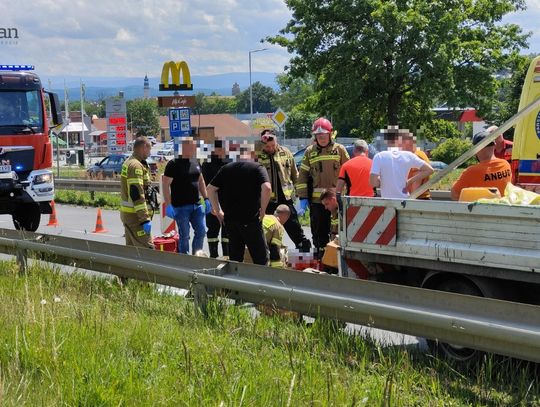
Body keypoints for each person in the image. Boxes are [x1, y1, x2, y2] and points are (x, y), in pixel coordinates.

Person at [207, 143, 271, 265]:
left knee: (235, 260)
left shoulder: (225, 168)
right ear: (252, 154)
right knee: (260, 259)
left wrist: (218, 211)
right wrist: (263, 209)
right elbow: (267, 188)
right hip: (251, 220)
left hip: (231, 221)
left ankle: (235, 283)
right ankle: (261, 283)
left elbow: (210, 189)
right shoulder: (257, 168)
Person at [296, 117, 349, 259]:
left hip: (337, 201)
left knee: (339, 231)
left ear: (330, 134)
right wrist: (303, 197)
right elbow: (303, 176)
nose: (322, 138)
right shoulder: (309, 152)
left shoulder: (339, 150)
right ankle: (321, 257)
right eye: (319, 136)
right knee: (319, 232)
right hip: (318, 202)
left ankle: (338, 260)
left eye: (324, 135)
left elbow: (348, 171)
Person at [258, 129, 311, 252]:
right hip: (267, 201)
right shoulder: (257, 155)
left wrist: (301, 196)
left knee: (296, 229)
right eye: (267, 146)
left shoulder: (286, 152)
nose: (271, 148)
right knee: (267, 231)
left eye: (273, 145)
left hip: (285, 200)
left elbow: (295, 175)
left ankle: (303, 252)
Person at [163, 138, 210, 254]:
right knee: (184, 235)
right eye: (192, 146)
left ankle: (196, 255)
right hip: (180, 207)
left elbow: (201, 181)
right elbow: (165, 185)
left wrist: (206, 198)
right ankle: (184, 257)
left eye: (195, 146)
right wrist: (168, 205)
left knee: (201, 231)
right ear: (183, 147)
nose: (194, 149)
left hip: (196, 205)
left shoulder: (195, 162)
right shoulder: (173, 164)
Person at [369, 127, 434, 199]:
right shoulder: (412, 155)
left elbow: (416, 185)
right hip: (413, 198)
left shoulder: (416, 155)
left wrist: (409, 185)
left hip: (418, 198)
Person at [451, 130, 512, 200]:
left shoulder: (471, 172)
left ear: (476, 149)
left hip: (480, 210)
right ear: (494, 145)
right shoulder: (506, 165)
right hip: (503, 208)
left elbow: (454, 194)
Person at [119, 136, 154, 249]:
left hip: (129, 215)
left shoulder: (129, 162)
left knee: (132, 251)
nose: (150, 152)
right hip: (136, 217)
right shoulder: (136, 166)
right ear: (144, 147)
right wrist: (144, 219)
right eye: (149, 149)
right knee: (147, 251)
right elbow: (137, 194)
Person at [202, 139, 230, 258]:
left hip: (227, 200)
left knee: (227, 228)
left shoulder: (228, 162)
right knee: (213, 229)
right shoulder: (207, 164)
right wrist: (211, 202)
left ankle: (227, 255)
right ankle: (213, 255)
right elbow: (206, 184)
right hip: (213, 199)